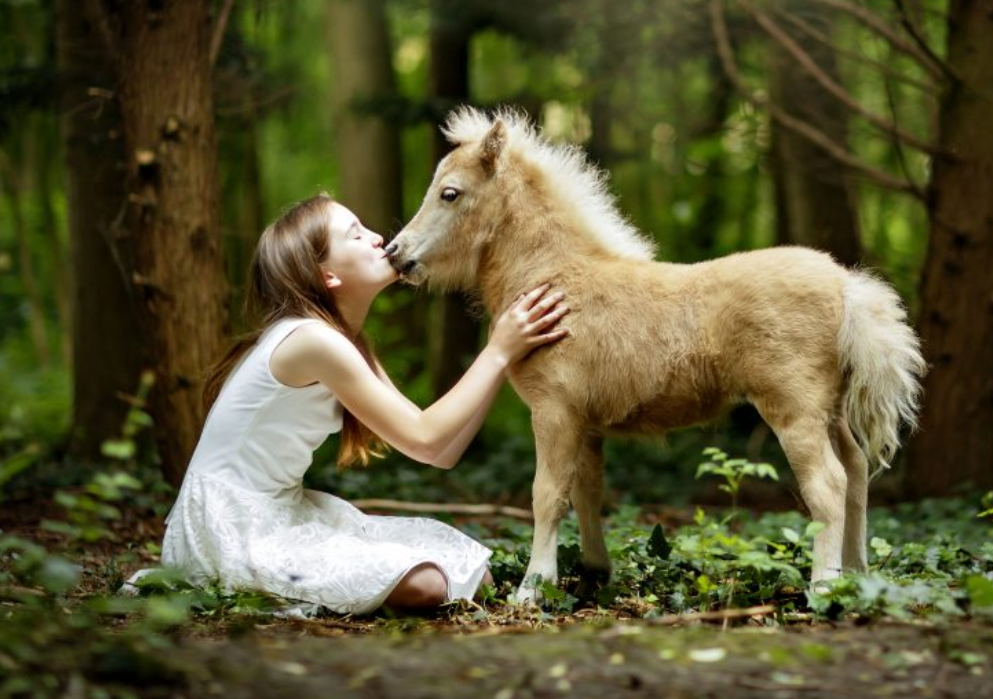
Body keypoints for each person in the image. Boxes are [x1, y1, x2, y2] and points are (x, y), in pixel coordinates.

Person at [158, 192, 569, 615]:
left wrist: (498, 354)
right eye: (355, 235)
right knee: (431, 582)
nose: (377, 238)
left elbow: (440, 452)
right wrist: (498, 352)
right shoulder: (311, 339)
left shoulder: (343, 341)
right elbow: (426, 439)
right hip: (230, 527)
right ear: (327, 275)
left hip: (281, 511)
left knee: (472, 573)